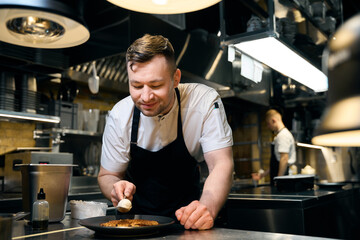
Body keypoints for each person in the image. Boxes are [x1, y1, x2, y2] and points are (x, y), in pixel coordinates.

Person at [97, 34, 234, 230]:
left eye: (156, 85)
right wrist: (115, 188)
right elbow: (108, 174)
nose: (145, 96)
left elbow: (221, 163)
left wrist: (207, 208)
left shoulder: (203, 102)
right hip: (135, 227)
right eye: (136, 86)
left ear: (175, 78)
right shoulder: (120, 114)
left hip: (190, 223)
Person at [252, 109, 296, 185]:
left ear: (274, 120)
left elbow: (284, 159)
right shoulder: (279, 136)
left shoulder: (283, 136)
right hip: (281, 175)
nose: (268, 127)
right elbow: (276, 162)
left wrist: (279, 179)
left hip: (284, 177)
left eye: (268, 124)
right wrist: (263, 175)